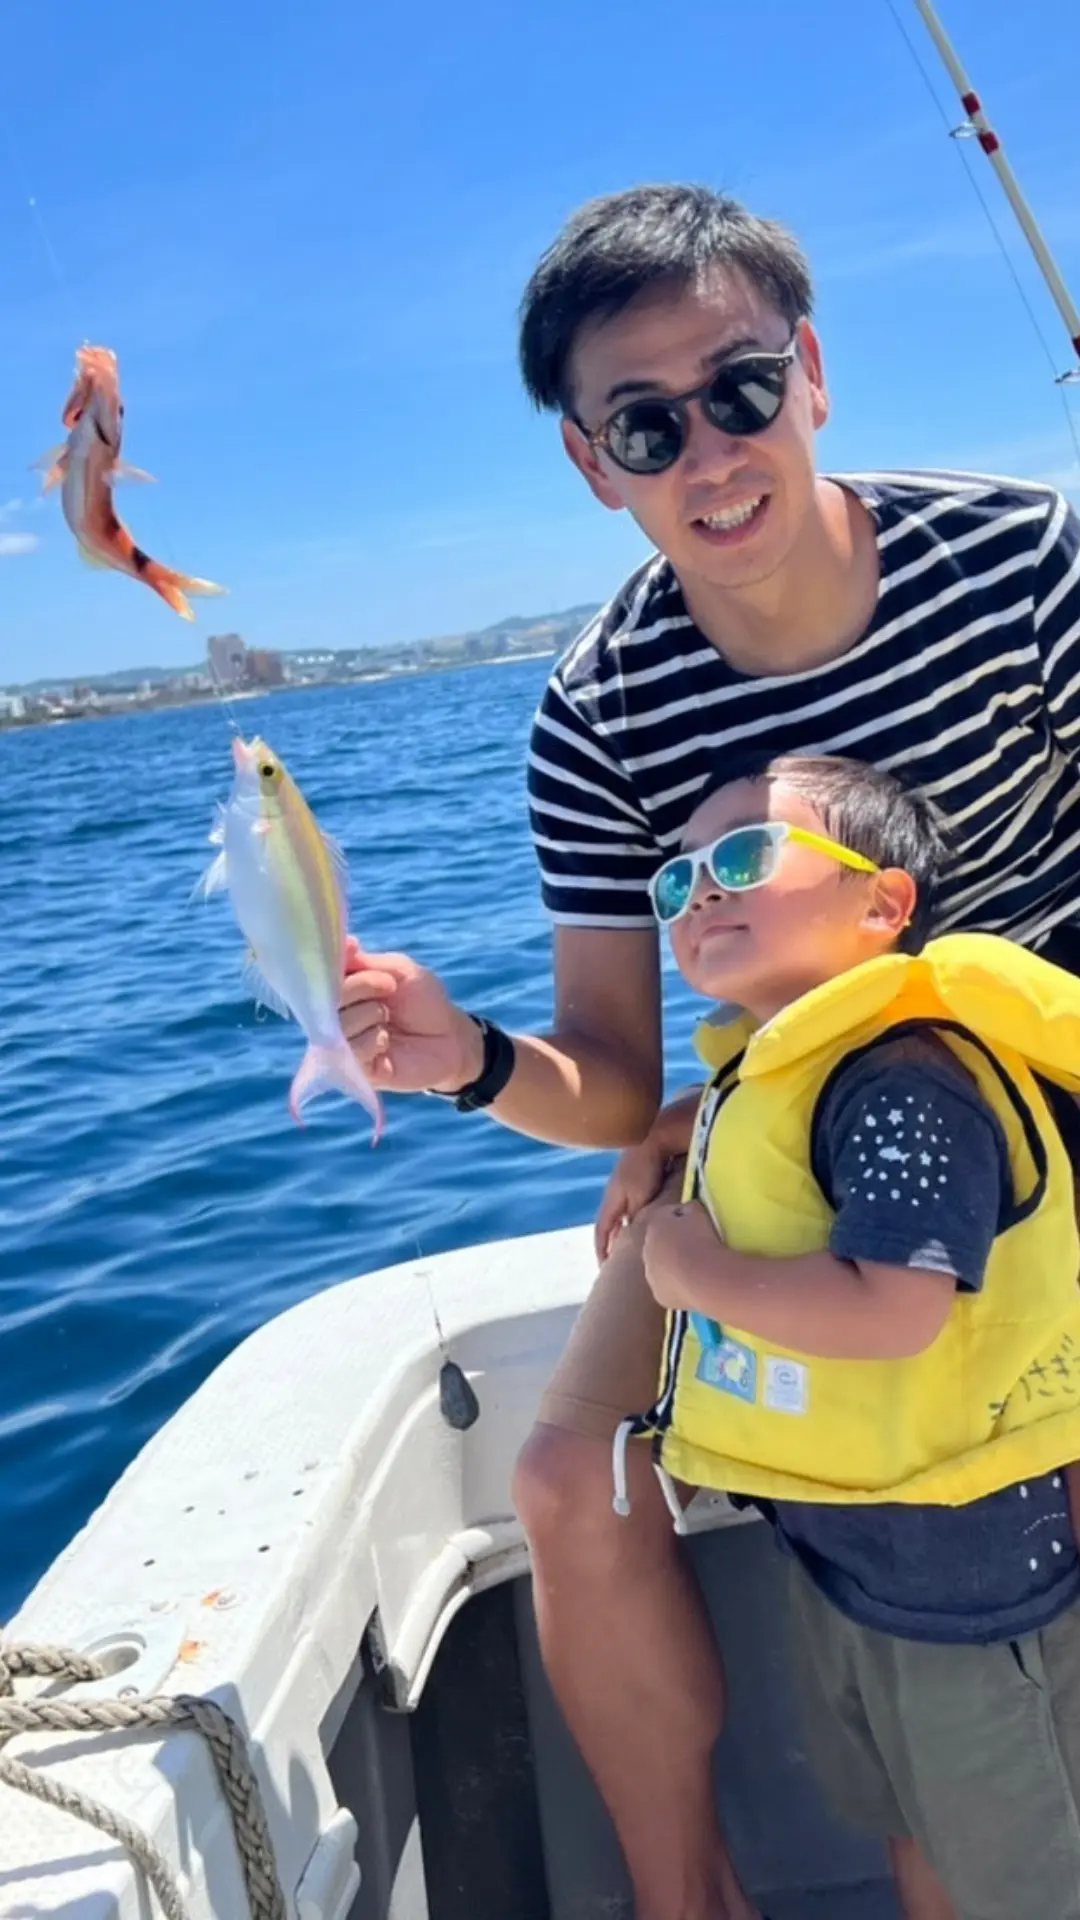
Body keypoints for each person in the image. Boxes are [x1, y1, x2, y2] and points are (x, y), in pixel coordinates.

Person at [339, 183, 1080, 1920]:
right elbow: (605, 1066)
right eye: (645, 424)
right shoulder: (600, 709)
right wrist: (469, 1059)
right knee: (565, 1474)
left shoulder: (1023, 564)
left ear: (811, 373)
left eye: (740, 388)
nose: (710, 451)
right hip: (793, 1125)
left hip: (1050, 1100)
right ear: (591, 462)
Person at [600, 748, 1080, 1920]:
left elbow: (895, 1308)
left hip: (974, 1589)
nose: (700, 891)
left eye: (743, 856)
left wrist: (695, 1272)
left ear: (883, 904)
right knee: (908, 1822)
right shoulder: (785, 1075)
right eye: (677, 880)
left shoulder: (904, 1083)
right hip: (856, 1559)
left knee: (1023, 1874)